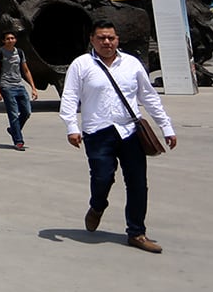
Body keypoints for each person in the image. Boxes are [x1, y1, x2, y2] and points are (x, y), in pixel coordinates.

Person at [59, 19, 178, 254]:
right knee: (102, 178)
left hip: (130, 131)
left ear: (117, 40)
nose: (106, 42)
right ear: (92, 40)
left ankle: (136, 232)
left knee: (138, 184)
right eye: (101, 38)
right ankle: (97, 206)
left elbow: (149, 97)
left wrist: (167, 127)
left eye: (111, 38)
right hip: (98, 132)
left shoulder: (131, 64)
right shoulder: (81, 65)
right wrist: (71, 127)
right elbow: (70, 96)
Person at [0, 31, 40, 151]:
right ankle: (18, 141)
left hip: (19, 85)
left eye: (12, 38)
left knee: (27, 112)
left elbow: (26, 70)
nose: (10, 40)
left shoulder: (19, 52)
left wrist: (33, 87)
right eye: (8, 38)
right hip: (6, 86)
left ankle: (13, 130)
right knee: (13, 114)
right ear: (4, 41)